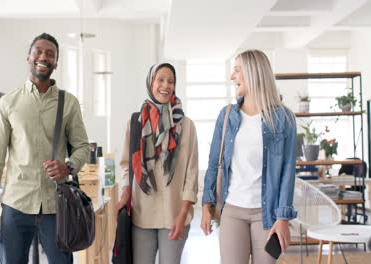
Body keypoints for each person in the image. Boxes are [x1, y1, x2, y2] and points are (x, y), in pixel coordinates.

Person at [0, 33, 89, 264]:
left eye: (50, 54)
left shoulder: (68, 102)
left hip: (56, 207)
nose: (44, 57)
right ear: (28, 58)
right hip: (16, 206)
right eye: (38, 51)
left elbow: (82, 147)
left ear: (56, 63)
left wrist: (68, 166)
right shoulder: (8, 103)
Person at [201, 49, 297, 264]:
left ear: (253, 73)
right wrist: (206, 204)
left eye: (236, 70)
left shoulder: (284, 118)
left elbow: (288, 171)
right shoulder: (226, 116)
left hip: (268, 214)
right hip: (232, 210)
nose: (231, 77)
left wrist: (282, 217)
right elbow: (214, 163)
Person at [116, 63, 199, 264]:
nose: (166, 85)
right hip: (141, 214)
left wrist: (183, 214)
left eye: (170, 81)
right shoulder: (135, 123)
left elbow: (192, 174)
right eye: (160, 80)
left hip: (175, 213)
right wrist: (126, 191)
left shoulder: (186, 125)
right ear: (150, 83)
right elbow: (126, 164)